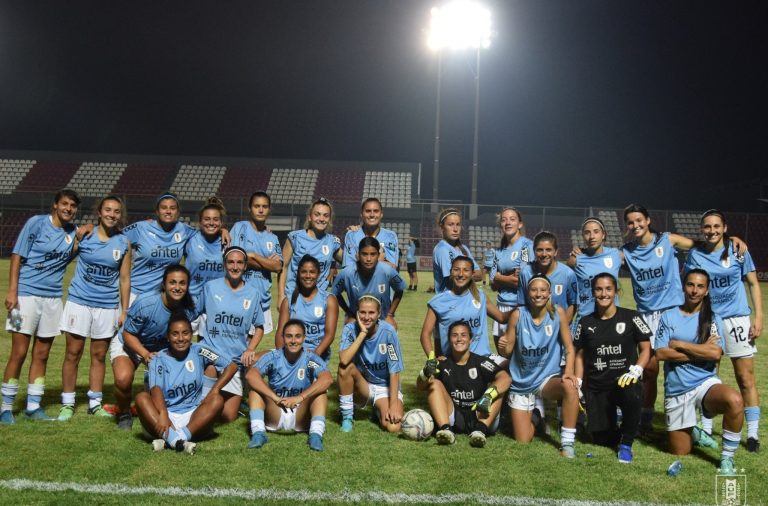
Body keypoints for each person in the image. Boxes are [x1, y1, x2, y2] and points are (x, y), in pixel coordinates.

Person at [684, 209, 762, 452]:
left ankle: (753, 435)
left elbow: (752, 283)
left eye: (716, 226)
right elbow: (689, 288)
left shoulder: (738, 251)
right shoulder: (695, 255)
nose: (712, 230)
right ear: (701, 230)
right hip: (710, 320)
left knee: (745, 378)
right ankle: (706, 429)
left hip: (738, 319)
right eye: (707, 227)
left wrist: (758, 316)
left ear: (725, 228)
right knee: (708, 377)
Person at [1, 189, 81, 423]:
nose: (68, 209)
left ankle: (33, 406)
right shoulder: (35, 223)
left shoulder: (73, 232)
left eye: (72, 206)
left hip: (53, 299)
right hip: (24, 297)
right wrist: (12, 290)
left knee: (42, 354)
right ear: (55, 205)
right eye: (64, 204)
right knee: (19, 352)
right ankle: (6, 407)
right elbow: (17, 255)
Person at [655, 269, 745, 475]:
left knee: (735, 401)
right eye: (690, 285)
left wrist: (679, 344)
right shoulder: (669, 316)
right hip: (677, 389)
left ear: (706, 290)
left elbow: (715, 353)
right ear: (684, 286)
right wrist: (700, 351)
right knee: (680, 451)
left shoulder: (713, 317)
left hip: (705, 383)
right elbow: (661, 353)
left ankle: (727, 460)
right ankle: (694, 432)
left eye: (700, 286)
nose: (694, 291)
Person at [58, 195, 131, 421]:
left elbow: (125, 279)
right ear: (99, 212)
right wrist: (78, 237)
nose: (111, 214)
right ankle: (68, 403)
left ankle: (95, 403)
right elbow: (64, 257)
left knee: (99, 355)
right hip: (79, 301)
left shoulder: (123, 242)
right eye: (107, 210)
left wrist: (124, 310)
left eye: (116, 211)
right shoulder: (85, 235)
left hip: (107, 305)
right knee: (73, 353)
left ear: (120, 215)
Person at [498, 274, 580, 458]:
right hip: (521, 383)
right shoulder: (518, 315)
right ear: (528, 293)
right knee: (523, 440)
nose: (538, 294)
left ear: (549, 293)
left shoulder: (557, 313)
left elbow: (569, 348)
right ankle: (536, 415)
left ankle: (567, 444)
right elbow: (507, 351)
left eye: (543, 290)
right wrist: (503, 346)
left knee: (570, 386)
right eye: (534, 290)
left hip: (546, 379)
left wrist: (568, 372)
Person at [574, 273, 652, 463]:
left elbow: (646, 349)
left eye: (608, 289)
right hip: (597, 385)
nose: (603, 294)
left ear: (616, 291)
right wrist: (578, 381)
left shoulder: (632, 316)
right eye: (599, 289)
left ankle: (626, 443)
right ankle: (617, 423)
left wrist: (637, 370)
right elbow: (579, 355)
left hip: (624, 381)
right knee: (602, 439)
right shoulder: (584, 322)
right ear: (593, 292)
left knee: (632, 393)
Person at [110, 265, 198, 431]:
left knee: (165, 389)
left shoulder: (189, 307)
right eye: (172, 282)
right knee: (123, 379)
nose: (177, 287)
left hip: (162, 350)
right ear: (164, 284)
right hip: (131, 343)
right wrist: (144, 354)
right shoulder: (146, 302)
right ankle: (124, 413)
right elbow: (128, 334)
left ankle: (170, 411)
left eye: (182, 283)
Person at [137, 313, 239, 454]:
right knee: (141, 398)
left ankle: (173, 439)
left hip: (193, 416)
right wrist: (163, 413)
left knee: (217, 400)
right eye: (175, 334)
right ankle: (178, 441)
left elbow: (231, 366)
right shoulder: (157, 358)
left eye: (185, 333)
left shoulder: (199, 350)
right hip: (165, 416)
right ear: (167, 336)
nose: (180, 338)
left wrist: (215, 390)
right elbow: (156, 389)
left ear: (191, 335)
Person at [196, 246, 265, 422]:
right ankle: (202, 398)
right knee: (210, 371)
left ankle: (216, 398)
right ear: (224, 265)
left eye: (239, 263)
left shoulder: (253, 293)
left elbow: (259, 326)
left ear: (245, 266)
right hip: (210, 352)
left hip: (234, 359)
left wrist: (250, 348)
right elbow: (192, 313)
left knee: (228, 417)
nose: (235, 267)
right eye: (231, 262)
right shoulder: (211, 287)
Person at [417, 320, 511, 448]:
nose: (459, 339)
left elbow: (505, 378)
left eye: (463, 335)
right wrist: (425, 373)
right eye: (454, 335)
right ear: (449, 340)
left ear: (471, 340)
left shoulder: (481, 362)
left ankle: (480, 431)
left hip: (480, 414)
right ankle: (446, 430)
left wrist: (489, 395)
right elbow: (420, 386)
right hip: (454, 416)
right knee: (433, 383)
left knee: (498, 388)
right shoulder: (443, 363)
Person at [246, 319, 333, 451]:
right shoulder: (273, 357)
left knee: (321, 392)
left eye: (298, 336)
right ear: (283, 338)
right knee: (255, 391)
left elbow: (327, 379)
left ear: (304, 338)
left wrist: (300, 398)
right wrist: (274, 398)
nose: (293, 341)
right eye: (289, 336)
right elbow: (251, 375)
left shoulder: (310, 358)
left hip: (300, 414)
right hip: (276, 410)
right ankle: (258, 433)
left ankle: (315, 435)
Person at [337, 295, 404, 433]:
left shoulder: (388, 332)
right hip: (363, 386)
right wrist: (362, 333)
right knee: (345, 368)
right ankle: (347, 417)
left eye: (371, 313)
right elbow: (343, 360)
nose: (367, 317)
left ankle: (378, 410)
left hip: (384, 388)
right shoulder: (350, 329)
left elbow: (395, 371)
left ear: (379, 314)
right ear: (357, 312)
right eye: (362, 312)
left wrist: (393, 405)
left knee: (393, 427)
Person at [421, 256, 508, 358]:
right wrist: (432, 359)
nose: (461, 274)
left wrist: (520, 308)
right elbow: (425, 334)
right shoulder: (438, 301)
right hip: (453, 362)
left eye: (466, 270)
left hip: (481, 358)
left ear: (472, 274)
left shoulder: (480, 296)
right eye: (456, 270)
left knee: (508, 369)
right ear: (451, 272)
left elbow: (502, 317)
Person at [122, 193, 198, 304]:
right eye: (164, 208)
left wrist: (222, 231)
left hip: (163, 297)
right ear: (157, 211)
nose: (168, 211)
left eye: (172, 208)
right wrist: (90, 227)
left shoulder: (184, 230)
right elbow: (114, 236)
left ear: (178, 212)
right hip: (136, 293)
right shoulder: (141, 227)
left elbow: (206, 235)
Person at [230, 191, 283, 335]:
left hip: (262, 299)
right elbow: (237, 258)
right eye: (256, 206)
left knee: (250, 348)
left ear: (269, 209)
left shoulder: (272, 238)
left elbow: (278, 266)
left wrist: (253, 256)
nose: (260, 210)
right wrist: (266, 263)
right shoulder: (239, 227)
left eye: (264, 206)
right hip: (238, 297)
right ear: (249, 208)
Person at [278, 197, 342, 308]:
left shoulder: (333, 242)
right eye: (317, 214)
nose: (321, 219)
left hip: (318, 301)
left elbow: (351, 260)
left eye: (325, 215)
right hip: (293, 297)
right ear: (310, 217)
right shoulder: (295, 237)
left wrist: (356, 233)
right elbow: (283, 266)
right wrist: (281, 296)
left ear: (329, 219)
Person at [276, 255, 339, 362]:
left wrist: (315, 355)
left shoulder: (329, 299)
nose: (308, 275)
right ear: (298, 274)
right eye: (304, 272)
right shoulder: (288, 300)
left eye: (312, 272)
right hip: (292, 353)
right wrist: (282, 358)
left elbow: (330, 334)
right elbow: (280, 333)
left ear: (318, 275)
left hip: (317, 355)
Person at [332, 237, 405, 327]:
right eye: (364, 254)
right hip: (357, 319)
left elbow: (400, 289)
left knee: (391, 325)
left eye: (373, 254)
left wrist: (390, 314)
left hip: (382, 319)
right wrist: (349, 313)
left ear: (378, 255)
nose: (369, 259)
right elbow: (335, 294)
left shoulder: (388, 271)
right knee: (349, 324)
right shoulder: (347, 273)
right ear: (358, 255)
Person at [567, 217, 622, 331]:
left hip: (611, 319)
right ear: (583, 236)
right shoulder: (575, 259)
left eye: (596, 232)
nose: (592, 236)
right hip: (586, 318)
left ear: (603, 234)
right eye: (587, 233)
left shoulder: (616, 255)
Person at [489, 207, 534, 341]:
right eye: (504, 220)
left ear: (520, 224)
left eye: (512, 219)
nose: (508, 222)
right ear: (501, 225)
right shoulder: (498, 251)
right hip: (500, 308)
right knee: (502, 357)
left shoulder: (527, 246)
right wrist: (504, 277)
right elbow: (492, 285)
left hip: (520, 306)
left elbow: (522, 280)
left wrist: (498, 276)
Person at [518, 231, 577, 319]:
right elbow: (522, 305)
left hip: (559, 330)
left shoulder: (568, 274)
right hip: (533, 329)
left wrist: (563, 327)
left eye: (548, 250)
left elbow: (573, 304)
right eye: (539, 250)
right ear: (534, 251)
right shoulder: (525, 273)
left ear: (556, 251)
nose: (544, 254)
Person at [185, 197, 226, 300]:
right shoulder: (190, 238)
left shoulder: (228, 241)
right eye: (207, 219)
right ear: (200, 221)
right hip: (192, 301)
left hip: (218, 301)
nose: (211, 223)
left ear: (221, 223)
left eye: (215, 219)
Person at [432, 208, 481, 293]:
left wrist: (460, 275)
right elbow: (453, 280)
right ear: (442, 227)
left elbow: (479, 275)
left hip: (463, 301)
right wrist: (469, 273)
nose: (455, 229)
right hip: (448, 303)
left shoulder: (464, 249)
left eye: (458, 224)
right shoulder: (442, 249)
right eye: (450, 224)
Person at [342, 197, 399, 270]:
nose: (372, 215)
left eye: (376, 211)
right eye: (368, 211)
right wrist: (379, 259)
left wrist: (360, 259)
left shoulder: (390, 236)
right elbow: (348, 268)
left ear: (381, 214)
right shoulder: (351, 235)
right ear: (361, 214)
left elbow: (392, 268)